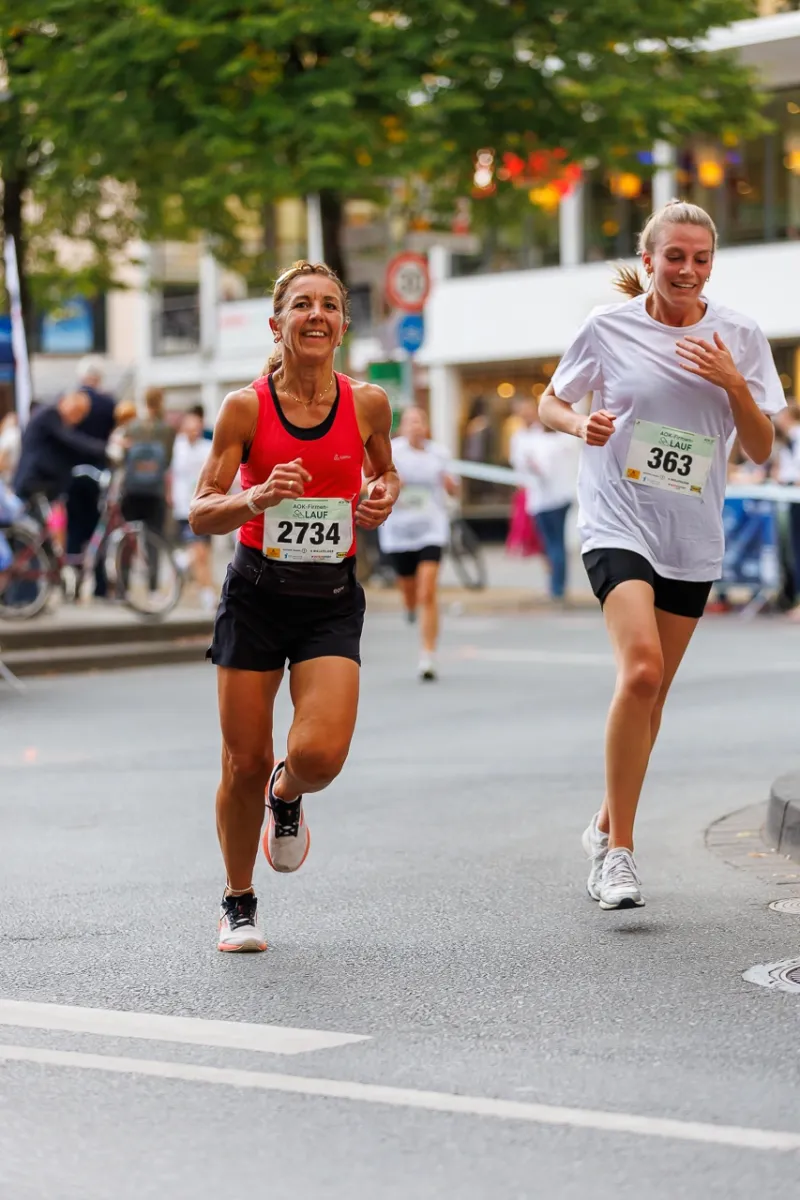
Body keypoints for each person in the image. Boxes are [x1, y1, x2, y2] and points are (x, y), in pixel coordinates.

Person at [538, 199, 785, 911]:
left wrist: (732, 382)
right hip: (617, 517)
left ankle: (604, 819)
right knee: (641, 668)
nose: (687, 270)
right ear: (648, 260)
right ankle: (618, 852)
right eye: (674, 256)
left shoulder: (739, 334)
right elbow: (552, 402)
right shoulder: (608, 327)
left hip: (690, 533)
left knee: (654, 691)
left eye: (701, 259)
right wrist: (580, 424)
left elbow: (760, 447)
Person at [189, 260, 398, 952]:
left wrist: (383, 493)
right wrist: (256, 497)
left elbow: (385, 471)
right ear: (276, 324)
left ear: (343, 324)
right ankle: (238, 900)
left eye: (329, 305)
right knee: (243, 762)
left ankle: (287, 794)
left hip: (330, 599)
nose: (316, 315)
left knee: (321, 754)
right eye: (302, 304)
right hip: (255, 595)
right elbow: (201, 510)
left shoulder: (368, 404)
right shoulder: (245, 408)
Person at [377, 406, 457, 681]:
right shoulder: (392, 452)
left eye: (420, 421)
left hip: (431, 529)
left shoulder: (439, 453)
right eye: (410, 422)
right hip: (399, 531)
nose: (416, 426)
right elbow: (371, 482)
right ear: (402, 428)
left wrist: (450, 485)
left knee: (428, 591)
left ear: (426, 426)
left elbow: (455, 488)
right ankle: (409, 606)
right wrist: (391, 484)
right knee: (409, 589)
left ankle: (428, 655)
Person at [510, 398, 577, 604]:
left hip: (546, 499)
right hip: (561, 496)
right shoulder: (562, 441)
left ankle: (556, 588)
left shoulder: (542, 443)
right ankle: (557, 585)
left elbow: (539, 470)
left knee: (551, 544)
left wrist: (530, 466)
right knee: (556, 544)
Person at [66, 357, 116, 596]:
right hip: (99, 472)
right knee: (99, 528)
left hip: (72, 473)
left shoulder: (70, 400)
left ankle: (72, 583)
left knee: (74, 527)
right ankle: (100, 584)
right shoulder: (108, 403)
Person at [14, 391, 108, 508]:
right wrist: (105, 448)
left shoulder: (57, 421)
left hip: (47, 487)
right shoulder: (50, 415)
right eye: (76, 411)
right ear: (64, 402)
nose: (77, 417)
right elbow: (73, 440)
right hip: (36, 485)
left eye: (82, 414)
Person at [172, 407, 214, 611]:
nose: (193, 431)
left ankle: (182, 561)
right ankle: (207, 595)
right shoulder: (177, 446)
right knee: (199, 553)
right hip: (184, 507)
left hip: (204, 505)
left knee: (203, 554)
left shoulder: (207, 447)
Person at [120, 387, 175, 541]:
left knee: (131, 533)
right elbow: (168, 460)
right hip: (156, 489)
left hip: (132, 488)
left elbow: (125, 457)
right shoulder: (167, 429)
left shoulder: (132, 427)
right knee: (154, 535)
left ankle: (131, 557)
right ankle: (151, 558)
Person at [0, 412, 22, 484]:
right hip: (16, 477)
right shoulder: (18, 434)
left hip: (6, 479)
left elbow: (1, 461)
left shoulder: (9, 435)